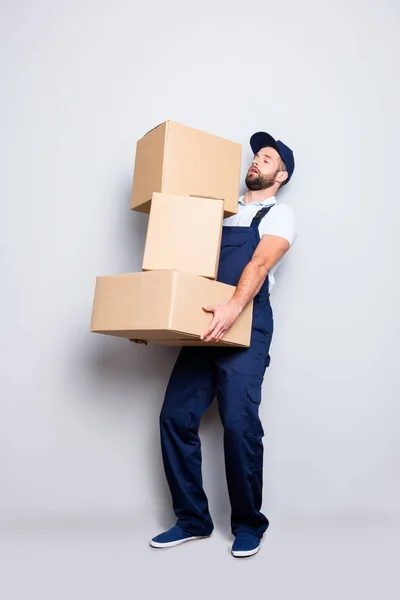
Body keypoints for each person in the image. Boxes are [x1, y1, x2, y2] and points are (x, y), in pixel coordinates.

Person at [132, 130, 296, 558]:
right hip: (205, 321)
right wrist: (149, 317)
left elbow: (260, 263)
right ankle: (192, 520)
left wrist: (234, 307)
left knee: (239, 425)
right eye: (256, 155)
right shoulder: (217, 212)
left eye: (267, 158)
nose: (256, 161)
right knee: (174, 417)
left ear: (281, 176)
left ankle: (247, 524)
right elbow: (183, 264)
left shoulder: (279, 215)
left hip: (247, 324)